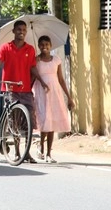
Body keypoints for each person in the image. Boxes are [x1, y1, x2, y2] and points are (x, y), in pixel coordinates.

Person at [0, 20, 48, 163]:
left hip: (25, 89)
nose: (22, 32)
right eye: (19, 29)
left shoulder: (30, 49)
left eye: (24, 30)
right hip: (10, 90)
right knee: (14, 120)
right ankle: (17, 152)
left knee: (30, 121)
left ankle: (26, 153)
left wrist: (42, 81)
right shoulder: (5, 47)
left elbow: (33, 68)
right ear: (14, 31)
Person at [33, 35, 74, 163]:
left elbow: (61, 79)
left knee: (51, 123)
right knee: (45, 120)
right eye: (42, 45)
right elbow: (32, 75)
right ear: (39, 46)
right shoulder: (36, 60)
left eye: (47, 45)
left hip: (54, 93)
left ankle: (49, 153)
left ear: (51, 46)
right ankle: (41, 145)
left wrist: (69, 97)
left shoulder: (56, 60)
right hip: (41, 92)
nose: (45, 47)